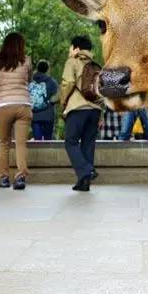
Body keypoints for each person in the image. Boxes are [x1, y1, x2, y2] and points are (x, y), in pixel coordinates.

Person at [60, 35, 102, 191]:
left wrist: (63, 102)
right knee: (88, 144)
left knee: (70, 142)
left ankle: (87, 170)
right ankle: (84, 183)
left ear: (76, 48)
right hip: (95, 110)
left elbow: (68, 83)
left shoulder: (72, 62)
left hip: (77, 108)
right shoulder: (96, 65)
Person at [0, 32, 32, 190]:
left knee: (4, 143)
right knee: (21, 144)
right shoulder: (26, 60)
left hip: (5, 105)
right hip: (23, 104)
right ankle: (20, 177)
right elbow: (28, 79)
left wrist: (0, 85)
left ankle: (3, 178)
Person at [29, 60, 59, 140]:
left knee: (37, 141)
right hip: (48, 115)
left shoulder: (31, 81)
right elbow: (55, 98)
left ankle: (38, 153)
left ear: (37, 69)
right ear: (47, 69)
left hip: (34, 115)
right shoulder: (52, 82)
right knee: (48, 141)